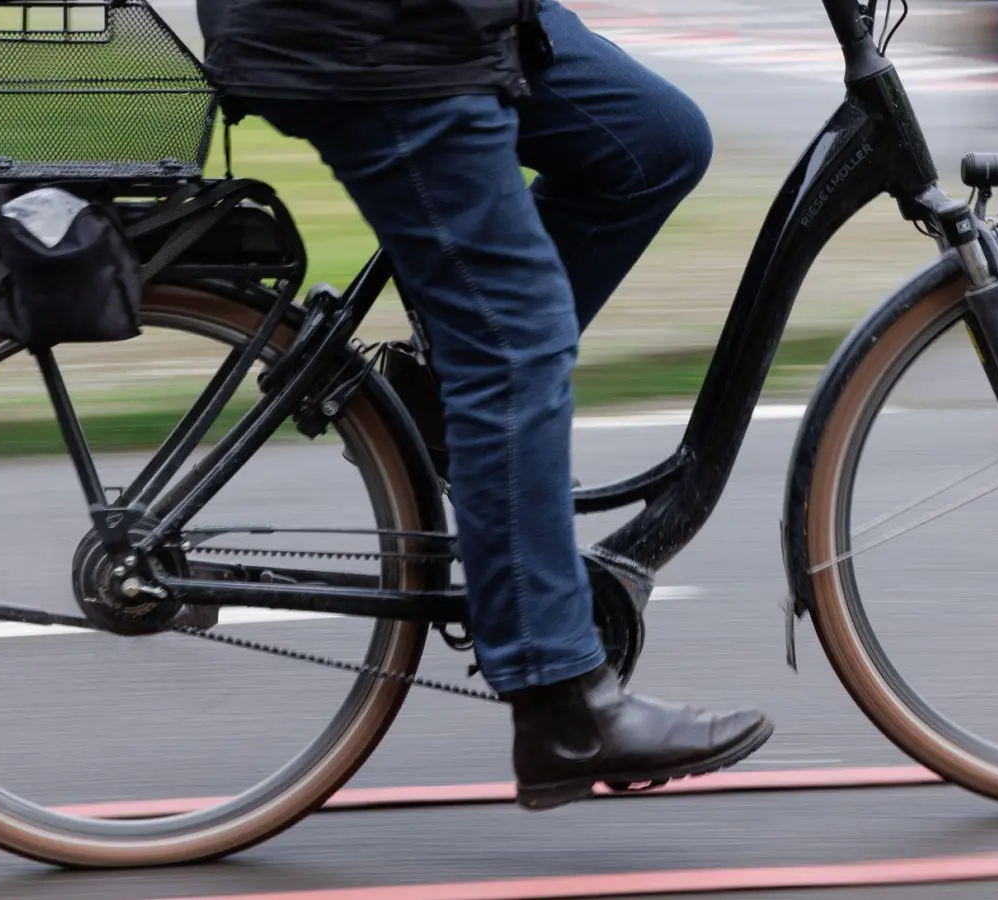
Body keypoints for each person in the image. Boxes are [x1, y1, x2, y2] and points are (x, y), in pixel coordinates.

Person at [195, 0, 775, 811]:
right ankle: (563, 703)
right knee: (513, 337)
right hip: (377, 32)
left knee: (655, 143)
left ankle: (450, 396)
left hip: (463, 20)